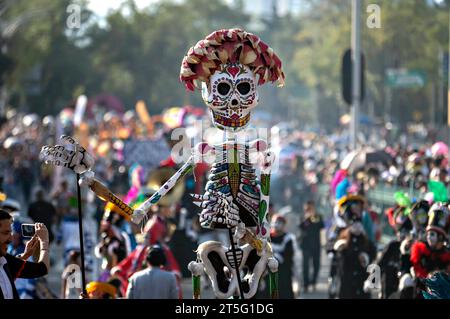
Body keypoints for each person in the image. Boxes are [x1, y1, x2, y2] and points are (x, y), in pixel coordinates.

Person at [0, 209, 50, 299]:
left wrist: (26, 255)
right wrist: (44, 242)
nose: (10, 239)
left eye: (12, 233)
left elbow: (41, 269)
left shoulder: (4, 260)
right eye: (5, 233)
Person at [299, 200, 324, 293]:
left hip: (316, 245)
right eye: (308, 208)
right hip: (305, 245)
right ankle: (305, 284)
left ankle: (313, 282)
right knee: (305, 266)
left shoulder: (318, 216)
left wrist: (314, 216)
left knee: (316, 265)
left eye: (311, 207)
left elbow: (322, 226)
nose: (309, 209)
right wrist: (307, 218)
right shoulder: (303, 217)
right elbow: (301, 227)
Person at [270, 214, 297, 299]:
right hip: (267, 271)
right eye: (276, 222)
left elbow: (289, 256)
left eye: (280, 222)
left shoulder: (288, 238)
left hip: (284, 271)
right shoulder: (266, 237)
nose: (277, 224)